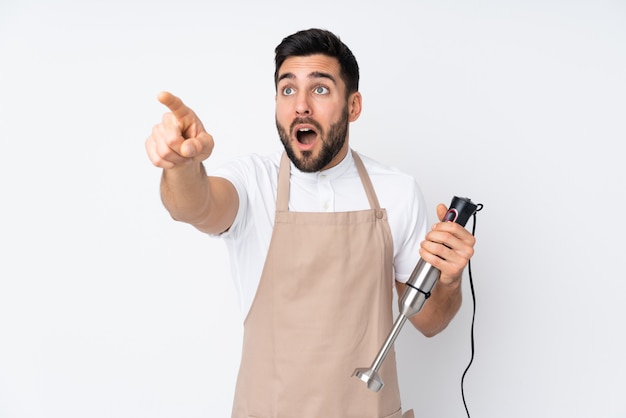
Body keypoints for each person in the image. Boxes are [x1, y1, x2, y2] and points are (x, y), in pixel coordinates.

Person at [145, 28, 476, 418]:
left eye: (319, 89)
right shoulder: (255, 181)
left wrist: (450, 282)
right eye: (288, 90)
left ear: (353, 106)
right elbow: (194, 206)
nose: (300, 105)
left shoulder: (397, 191)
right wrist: (182, 166)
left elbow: (429, 321)